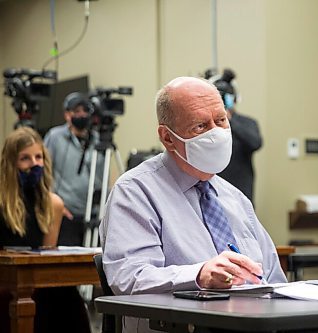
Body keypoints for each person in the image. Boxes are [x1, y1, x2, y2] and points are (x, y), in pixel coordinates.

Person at [100, 76, 286, 333]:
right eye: (200, 126)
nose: (217, 133)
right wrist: (198, 276)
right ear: (167, 138)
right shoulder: (135, 192)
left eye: (221, 121)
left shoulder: (233, 197)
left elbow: (274, 278)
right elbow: (130, 277)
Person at [0, 127, 91, 333]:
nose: (34, 164)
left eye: (38, 157)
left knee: (65, 293)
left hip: (33, 280)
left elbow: (46, 258)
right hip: (6, 279)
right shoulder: (2, 203)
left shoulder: (53, 204)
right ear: (11, 163)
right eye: (25, 158)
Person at [44, 92, 103, 246]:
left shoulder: (98, 140)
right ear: (67, 115)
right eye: (77, 111)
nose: (81, 115)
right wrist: (55, 204)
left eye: (85, 111)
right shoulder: (55, 137)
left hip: (93, 215)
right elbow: (44, 172)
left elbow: (105, 174)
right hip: (66, 214)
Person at [206, 68, 263, 204]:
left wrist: (228, 119)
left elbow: (255, 143)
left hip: (241, 194)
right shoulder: (207, 125)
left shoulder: (247, 123)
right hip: (211, 194)